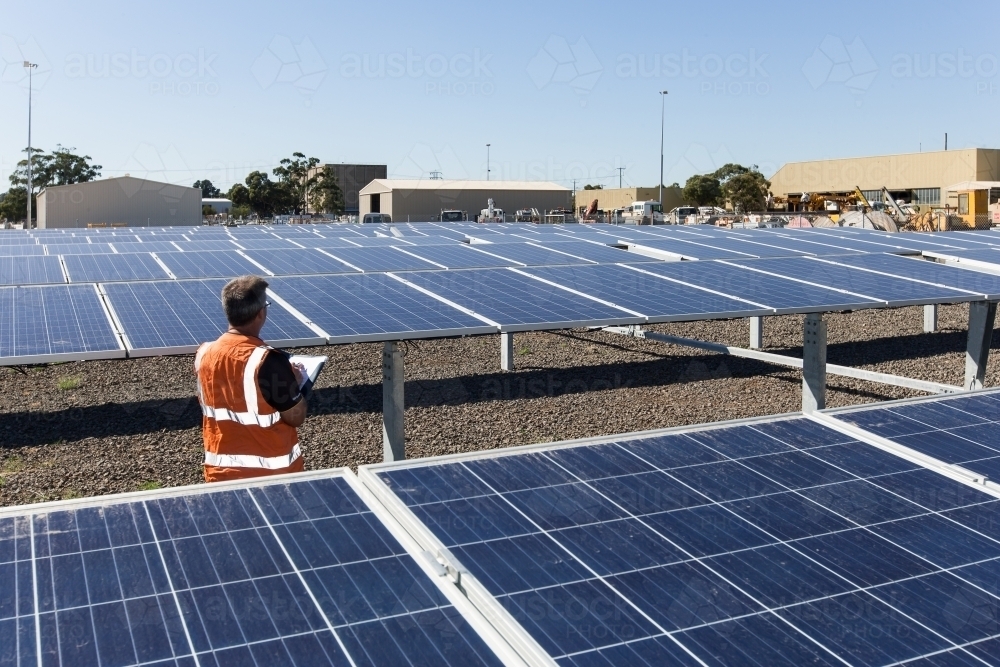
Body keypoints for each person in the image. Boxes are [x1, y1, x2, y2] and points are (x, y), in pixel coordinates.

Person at [195, 275, 307, 482]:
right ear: (260, 313)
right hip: (272, 478)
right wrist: (296, 383)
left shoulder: (204, 353)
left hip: (219, 475)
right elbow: (296, 416)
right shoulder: (268, 361)